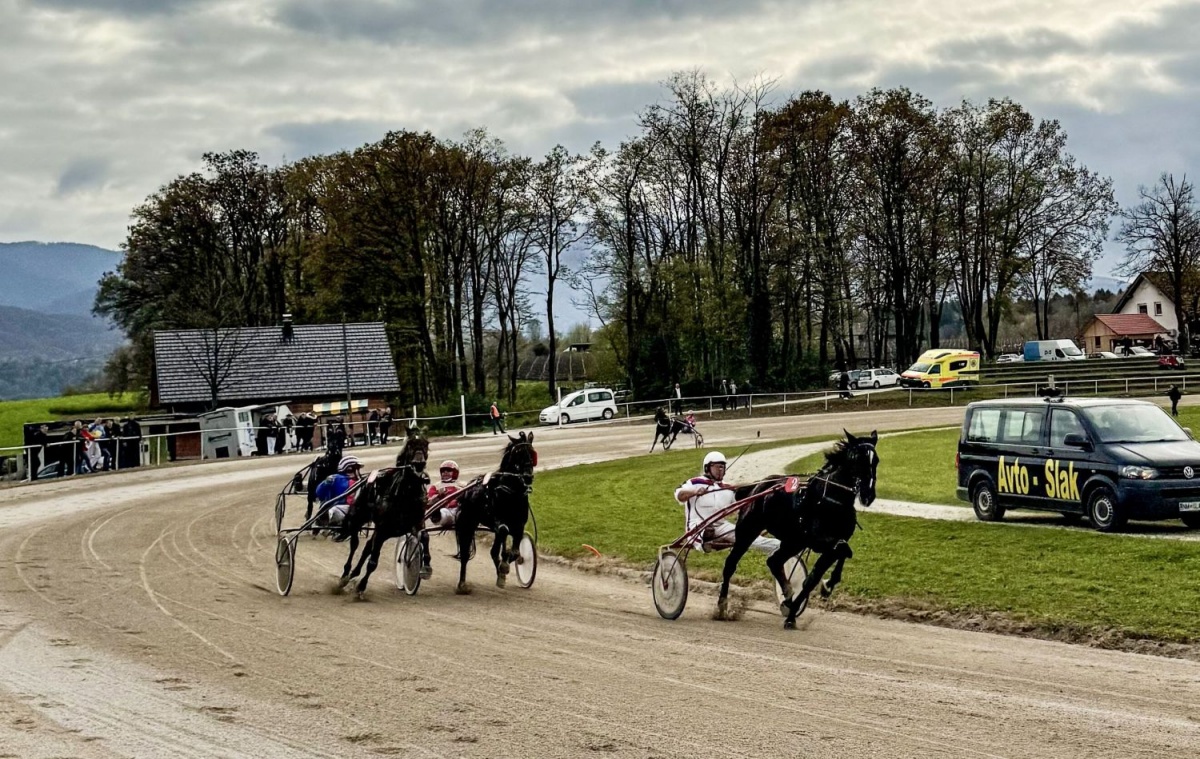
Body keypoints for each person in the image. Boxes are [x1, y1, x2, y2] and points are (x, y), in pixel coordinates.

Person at [674, 451, 779, 554]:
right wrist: (694, 492)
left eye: (722, 467)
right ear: (707, 468)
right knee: (707, 531)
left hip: (721, 526)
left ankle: (781, 546)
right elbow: (679, 495)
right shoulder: (694, 482)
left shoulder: (727, 489)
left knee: (751, 537)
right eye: (717, 467)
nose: (720, 470)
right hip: (696, 526)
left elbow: (740, 506)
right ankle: (704, 539)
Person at [420, 460, 464, 577]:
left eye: (448, 471)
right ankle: (438, 516)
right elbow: (428, 502)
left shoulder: (462, 485)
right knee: (443, 512)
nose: (445, 473)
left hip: (460, 511)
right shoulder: (436, 486)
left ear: (454, 472)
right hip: (445, 512)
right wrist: (438, 495)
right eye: (443, 471)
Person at [314, 455, 364, 531]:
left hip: (352, 509)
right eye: (356, 469)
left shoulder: (359, 481)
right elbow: (319, 492)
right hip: (337, 508)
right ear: (349, 469)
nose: (358, 472)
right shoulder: (334, 479)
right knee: (333, 510)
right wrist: (326, 483)